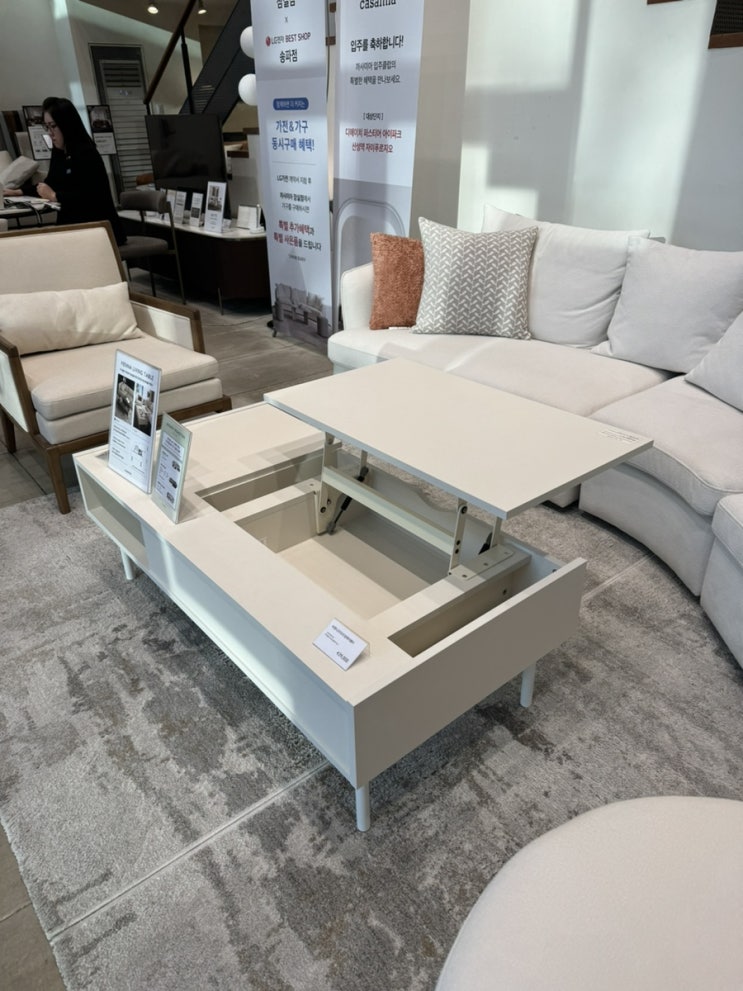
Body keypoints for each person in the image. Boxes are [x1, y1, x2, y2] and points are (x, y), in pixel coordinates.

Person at [32, 96, 126, 245]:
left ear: (66, 125)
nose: (50, 133)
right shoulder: (59, 152)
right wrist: (18, 192)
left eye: (53, 126)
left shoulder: (86, 153)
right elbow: (50, 184)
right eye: (47, 127)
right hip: (74, 226)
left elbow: (91, 197)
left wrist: (55, 196)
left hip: (98, 229)